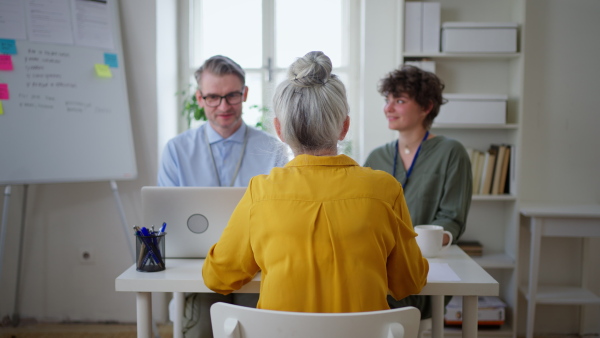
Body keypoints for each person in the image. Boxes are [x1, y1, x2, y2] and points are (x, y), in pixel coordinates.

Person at [202, 51, 428, 313]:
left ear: (279, 130)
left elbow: (218, 277)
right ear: (344, 126)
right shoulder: (384, 189)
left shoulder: (261, 192)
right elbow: (410, 281)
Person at [157, 55, 288, 337]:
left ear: (245, 94)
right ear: (200, 98)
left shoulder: (272, 149)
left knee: (258, 328)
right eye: (213, 98)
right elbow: (167, 222)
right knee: (202, 328)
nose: (224, 106)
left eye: (232, 96)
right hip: (198, 267)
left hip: (257, 269)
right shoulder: (177, 150)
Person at [363, 65, 473, 319]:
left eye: (399, 101)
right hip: (377, 266)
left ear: (426, 107)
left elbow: (451, 219)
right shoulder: (376, 156)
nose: (388, 108)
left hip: (422, 271)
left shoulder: (451, 152)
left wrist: (419, 245)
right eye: (387, 100)